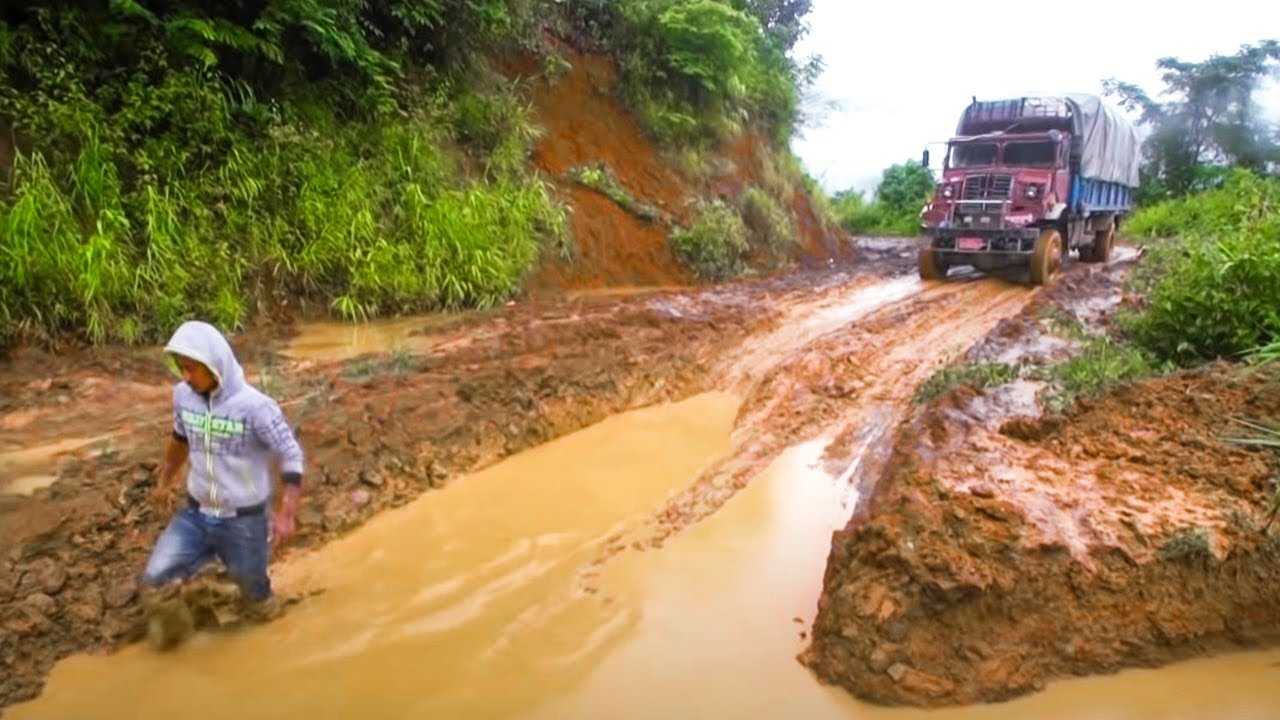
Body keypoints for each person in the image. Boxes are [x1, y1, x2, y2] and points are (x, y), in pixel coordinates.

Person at [140, 320, 305, 649]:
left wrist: (286, 513)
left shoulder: (256, 408)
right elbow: (179, 440)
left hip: (244, 521)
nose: (186, 376)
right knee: (156, 579)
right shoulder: (183, 397)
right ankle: (181, 653)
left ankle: (272, 646)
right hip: (196, 515)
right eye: (181, 368)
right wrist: (164, 482)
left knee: (257, 601)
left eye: (193, 369)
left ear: (216, 365)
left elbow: (291, 454)